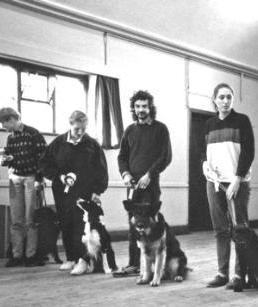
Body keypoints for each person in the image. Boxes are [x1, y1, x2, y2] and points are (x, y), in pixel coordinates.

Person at [39, 110, 109, 275]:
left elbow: (101, 170)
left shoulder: (92, 144)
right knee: (65, 223)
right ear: (70, 125)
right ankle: (70, 258)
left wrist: (97, 191)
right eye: (77, 128)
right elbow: (44, 163)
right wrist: (59, 177)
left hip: (84, 192)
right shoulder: (58, 143)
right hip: (62, 191)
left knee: (81, 226)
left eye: (83, 128)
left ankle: (82, 260)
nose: (80, 132)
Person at [115, 90, 172, 276]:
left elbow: (166, 156)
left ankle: (156, 265)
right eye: (137, 106)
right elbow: (122, 156)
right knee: (133, 224)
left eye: (144, 106)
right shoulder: (130, 130)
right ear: (134, 108)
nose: (141, 110)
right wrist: (125, 175)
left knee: (151, 225)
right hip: (132, 187)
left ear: (150, 107)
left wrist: (149, 174)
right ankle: (134, 264)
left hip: (151, 185)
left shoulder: (160, 129)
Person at [203, 83, 255, 289]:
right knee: (220, 229)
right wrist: (204, 165)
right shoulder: (208, 124)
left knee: (240, 228)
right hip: (214, 183)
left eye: (228, 97)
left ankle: (239, 275)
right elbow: (203, 151)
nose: (225, 101)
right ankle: (222, 272)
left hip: (237, 183)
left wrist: (237, 178)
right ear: (214, 99)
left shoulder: (242, 121)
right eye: (221, 97)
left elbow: (248, 152)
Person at [0, 107, 47, 267]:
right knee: (16, 219)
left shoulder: (33, 133)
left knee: (30, 219)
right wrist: (5, 160)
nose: (4, 128)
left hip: (31, 178)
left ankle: (30, 255)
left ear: (12, 119)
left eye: (5, 124)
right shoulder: (10, 138)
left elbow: (43, 157)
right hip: (14, 178)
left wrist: (39, 179)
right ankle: (17, 255)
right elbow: (9, 159)